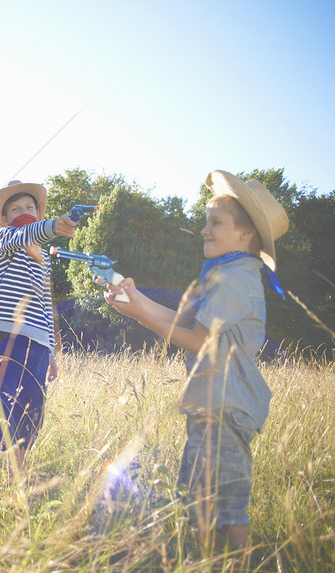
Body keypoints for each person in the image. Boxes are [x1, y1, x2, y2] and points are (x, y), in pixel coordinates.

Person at [104, 170, 288, 566]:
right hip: (210, 405)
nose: (204, 230)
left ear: (246, 235)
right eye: (205, 221)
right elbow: (181, 323)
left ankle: (245, 563)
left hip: (227, 408)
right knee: (199, 499)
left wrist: (140, 311)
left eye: (215, 223)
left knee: (228, 505)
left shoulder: (237, 278)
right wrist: (135, 304)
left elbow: (201, 342)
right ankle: (202, 561)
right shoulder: (222, 274)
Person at [0, 181, 77, 483]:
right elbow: (26, 233)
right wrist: (54, 226)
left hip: (39, 346)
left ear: (37, 210)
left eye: (29, 207)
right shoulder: (6, 239)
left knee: (30, 414)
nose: (24, 212)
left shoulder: (42, 262)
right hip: (8, 338)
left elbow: (46, 307)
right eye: (16, 209)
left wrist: (52, 355)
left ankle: (15, 481)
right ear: (4, 219)